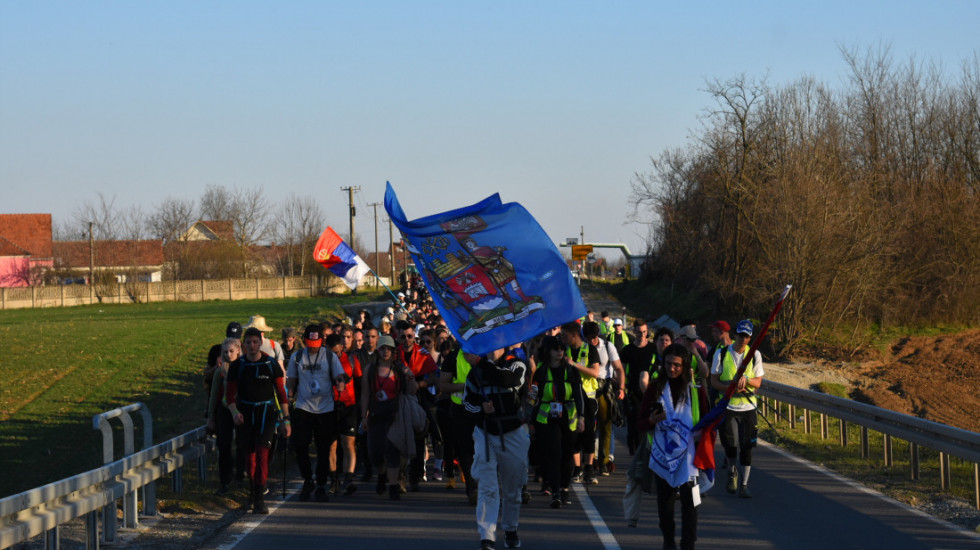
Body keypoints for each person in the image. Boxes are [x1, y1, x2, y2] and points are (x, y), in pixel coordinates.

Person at [463, 347, 530, 550]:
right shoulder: (475, 372)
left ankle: (510, 528)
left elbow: (506, 381)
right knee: (487, 487)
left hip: (512, 432)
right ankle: (487, 535)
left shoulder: (517, 364)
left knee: (513, 487)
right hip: (485, 433)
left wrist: (482, 363)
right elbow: (468, 402)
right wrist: (481, 409)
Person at [645, 343, 706, 550]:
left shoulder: (694, 389)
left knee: (691, 503)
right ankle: (668, 540)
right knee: (666, 505)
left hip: (689, 454)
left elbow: (706, 417)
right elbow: (640, 422)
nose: (672, 368)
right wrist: (651, 420)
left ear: (684, 366)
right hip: (662, 452)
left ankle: (688, 543)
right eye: (668, 364)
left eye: (677, 365)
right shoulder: (655, 387)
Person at [226, 327, 292, 514]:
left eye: (255, 342)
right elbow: (229, 396)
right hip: (245, 414)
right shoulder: (238, 366)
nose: (252, 345)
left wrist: (286, 420)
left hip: (266, 414)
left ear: (260, 343)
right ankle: (254, 491)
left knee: (262, 455)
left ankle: (260, 498)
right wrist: (234, 413)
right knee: (250, 457)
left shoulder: (271, 364)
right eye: (249, 342)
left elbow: (281, 394)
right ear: (244, 345)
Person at [286, 325, 347, 502]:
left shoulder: (329, 356)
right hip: (303, 407)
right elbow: (291, 380)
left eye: (316, 343)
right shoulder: (297, 357)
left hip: (325, 408)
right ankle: (307, 479)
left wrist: (340, 382)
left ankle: (321, 483)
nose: (313, 346)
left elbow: (339, 376)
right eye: (310, 343)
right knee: (301, 446)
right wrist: (289, 399)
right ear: (304, 341)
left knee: (323, 449)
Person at [359, 334, 419, 500]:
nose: (385, 352)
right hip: (376, 414)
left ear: (393, 352)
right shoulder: (370, 370)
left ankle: (393, 486)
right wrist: (364, 416)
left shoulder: (399, 370)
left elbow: (412, 391)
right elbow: (365, 395)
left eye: (389, 349)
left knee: (392, 450)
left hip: (394, 415)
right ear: (378, 351)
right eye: (382, 348)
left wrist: (410, 375)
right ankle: (381, 474)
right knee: (375, 453)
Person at [710, 319, 764, 498]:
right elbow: (714, 381)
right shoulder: (721, 353)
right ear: (734, 335)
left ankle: (744, 484)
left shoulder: (755, 355)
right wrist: (730, 387)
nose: (743, 339)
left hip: (748, 407)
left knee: (747, 446)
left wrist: (747, 381)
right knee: (731, 445)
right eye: (741, 335)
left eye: (747, 336)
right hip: (728, 406)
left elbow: (758, 383)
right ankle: (732, 471)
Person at [530, 335, 584, 508]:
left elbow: (578, 395)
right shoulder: (541, 371)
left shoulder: (571, 371)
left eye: (562, 348)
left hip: (568, 419)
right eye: (556, 349)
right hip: (547, 420)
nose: (560, 351)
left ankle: (565, 488)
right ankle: (555, 492)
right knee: (554, 455)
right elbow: (534, 398)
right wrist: (530, 418)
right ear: (548, 351)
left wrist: (582, 417)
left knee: (567, 455)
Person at [564, 322, 602, 485]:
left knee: (589, 433)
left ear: (574, 335)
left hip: (588, 396)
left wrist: (574, 365)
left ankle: (589, 468)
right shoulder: (564, 350)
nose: (563, 338)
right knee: (573, 433)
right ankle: (577, 468)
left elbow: (595, 372)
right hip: (570, 397)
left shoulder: (589, 349)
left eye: (565, 335)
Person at [206, 337, 243, 495]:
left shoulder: (244, 367)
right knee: (224, 445)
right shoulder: (221, 372)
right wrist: (211, 418)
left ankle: (240, 477)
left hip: (241, 409)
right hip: (224, 409)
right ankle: (224, 482)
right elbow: (214, 395)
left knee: (242, 444)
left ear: (238, 351)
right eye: (225, 352)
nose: (229, 354)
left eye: (231, 351)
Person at [329, 330, 362, 496]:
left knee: (348, 443)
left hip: (349, 407)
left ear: (341, 347)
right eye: (331, 353)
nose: (334, 356)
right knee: (332, 445)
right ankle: (334, 480)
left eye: (336, 352)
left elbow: (360, 382)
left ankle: (348, 479)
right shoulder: (324, 362)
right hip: (330, 406)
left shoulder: (351, 360)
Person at [591, 322, 626, 477]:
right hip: (588, 388)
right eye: (588, 338)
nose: (592, 341)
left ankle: (604, 461)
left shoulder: (607, 346)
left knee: (606, 426)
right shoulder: (584, 347)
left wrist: (621, 388)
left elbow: (619, 368)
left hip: (604, 387)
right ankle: (591, 460)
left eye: (594, 337)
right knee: (590, 427)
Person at [620, 319, 656, 455]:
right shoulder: (627, 350)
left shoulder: (652, 349)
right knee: (633, 422)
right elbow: (621, 371)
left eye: (645, 332)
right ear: (634, 331)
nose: (642, 335)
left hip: (649, 391)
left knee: (647, 423)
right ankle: (634, 447)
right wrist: (622, 388)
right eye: (639, 332)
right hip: (633, 392)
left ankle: (645, 450)